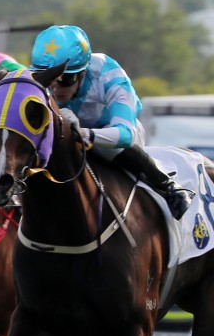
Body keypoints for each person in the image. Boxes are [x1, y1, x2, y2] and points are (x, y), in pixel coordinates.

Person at [29, 24, 192, 220]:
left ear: (83, 73)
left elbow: (126, 134)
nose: (55, 89)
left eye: (65, 79)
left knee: (104, 147)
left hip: (111, 138)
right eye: (48, 80)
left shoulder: (108, 74)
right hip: (65, 136)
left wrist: (82, 134)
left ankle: (167, 186)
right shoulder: (33, 80)